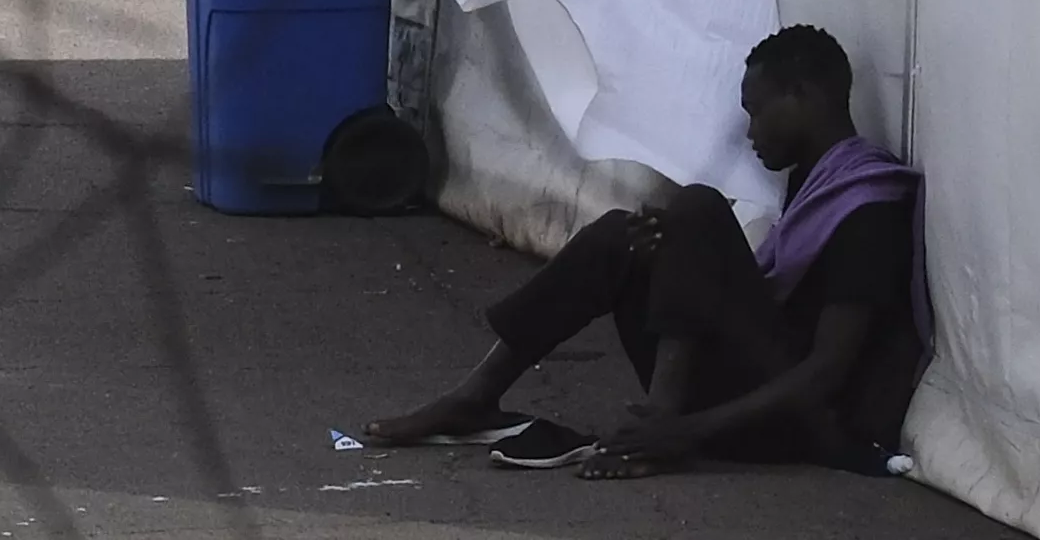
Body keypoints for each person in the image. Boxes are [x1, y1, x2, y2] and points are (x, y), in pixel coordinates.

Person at [361, 25, 929, 479]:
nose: (750, 132)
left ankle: (660, 420)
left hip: (803, 424)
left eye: (756, 110)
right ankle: (475, 396)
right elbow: (761, 299)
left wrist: (685, 430)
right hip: (747, 392)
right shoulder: (819, 179)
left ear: (802, 96)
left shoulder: (868, 208)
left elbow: (826, 373)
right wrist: (673, 254)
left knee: (699, 208)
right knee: (624, 236)